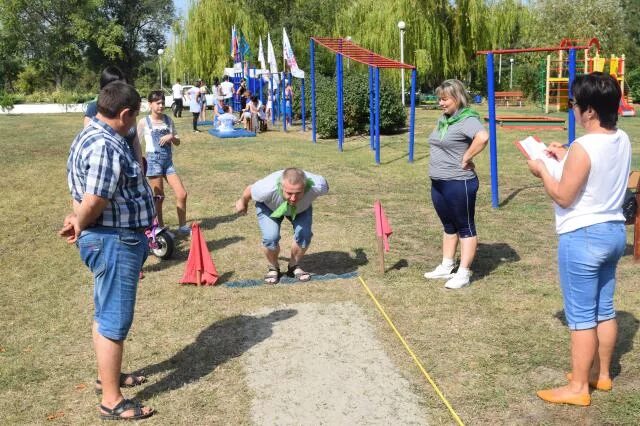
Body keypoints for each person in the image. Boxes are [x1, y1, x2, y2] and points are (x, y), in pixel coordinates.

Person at [527, 72, 631, 407]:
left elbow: (563, 196)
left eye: (574, 103)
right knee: (604, 309)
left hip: (582, 236)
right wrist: (565, 153)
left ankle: (577, 388)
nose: (572, 108)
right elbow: (596, 156)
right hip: (613, 233)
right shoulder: (623, 139)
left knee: (582, 317)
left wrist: (542, 169)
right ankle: (602, 375)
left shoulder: (584, 147)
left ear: (588, 111)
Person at [59, 81, 155, 420]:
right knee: (114, 319)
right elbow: (95, 199)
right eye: (133, 118)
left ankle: (108, 377)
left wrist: (79, 220)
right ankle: (112, 400)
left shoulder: (97, 134)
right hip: (114, 240)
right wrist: (81, 222)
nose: (134, 125)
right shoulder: (104, 144)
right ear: (125, 113)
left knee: (105, 313)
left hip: (112, 238)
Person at [423, 79, 489, 289]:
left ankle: (464, 272)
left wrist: (467, 157)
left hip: (459, 183)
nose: (441, 103)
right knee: (448, 226)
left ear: (457, 98)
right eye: (439, 99)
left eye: (445, 99)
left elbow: (483, 137)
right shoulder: (445, 119)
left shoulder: (467, 119)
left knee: (465, 227)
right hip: (439, 182)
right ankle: (447, 265)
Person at [235, 168, 329, 284]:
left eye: (298, 193)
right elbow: (250, 190)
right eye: (289, 193)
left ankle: (293, 266)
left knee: (305, 235)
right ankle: (273, 267)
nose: (293, 198)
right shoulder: (266, 189)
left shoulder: (319, 185)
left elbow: (324, 183)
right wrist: (243, 202)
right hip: (269, 207)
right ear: (281, 186)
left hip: (301, 209)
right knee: (271, 237)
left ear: (305, 187)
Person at [137, 90, 190, 235]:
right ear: (150, 104)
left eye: (163, 103)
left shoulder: (168, 120)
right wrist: (139, 162)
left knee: (182, 194)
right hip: (153, 162)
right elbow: (134, 142)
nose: (161, 106)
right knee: (159, 198)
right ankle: (159, 228)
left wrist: (171, 137)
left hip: (168, 162)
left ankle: (183, 226)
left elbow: (177, 141)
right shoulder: (144, 122)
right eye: (158, 103)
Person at [83, 66, 142, 165]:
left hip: (131, 165)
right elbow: (91, 141)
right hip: (111, 164)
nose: (123, 91)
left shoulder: (129, 110)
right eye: (118, 87)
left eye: (124, 86)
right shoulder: (94, 107)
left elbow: (135, 141)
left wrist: (140, 165)